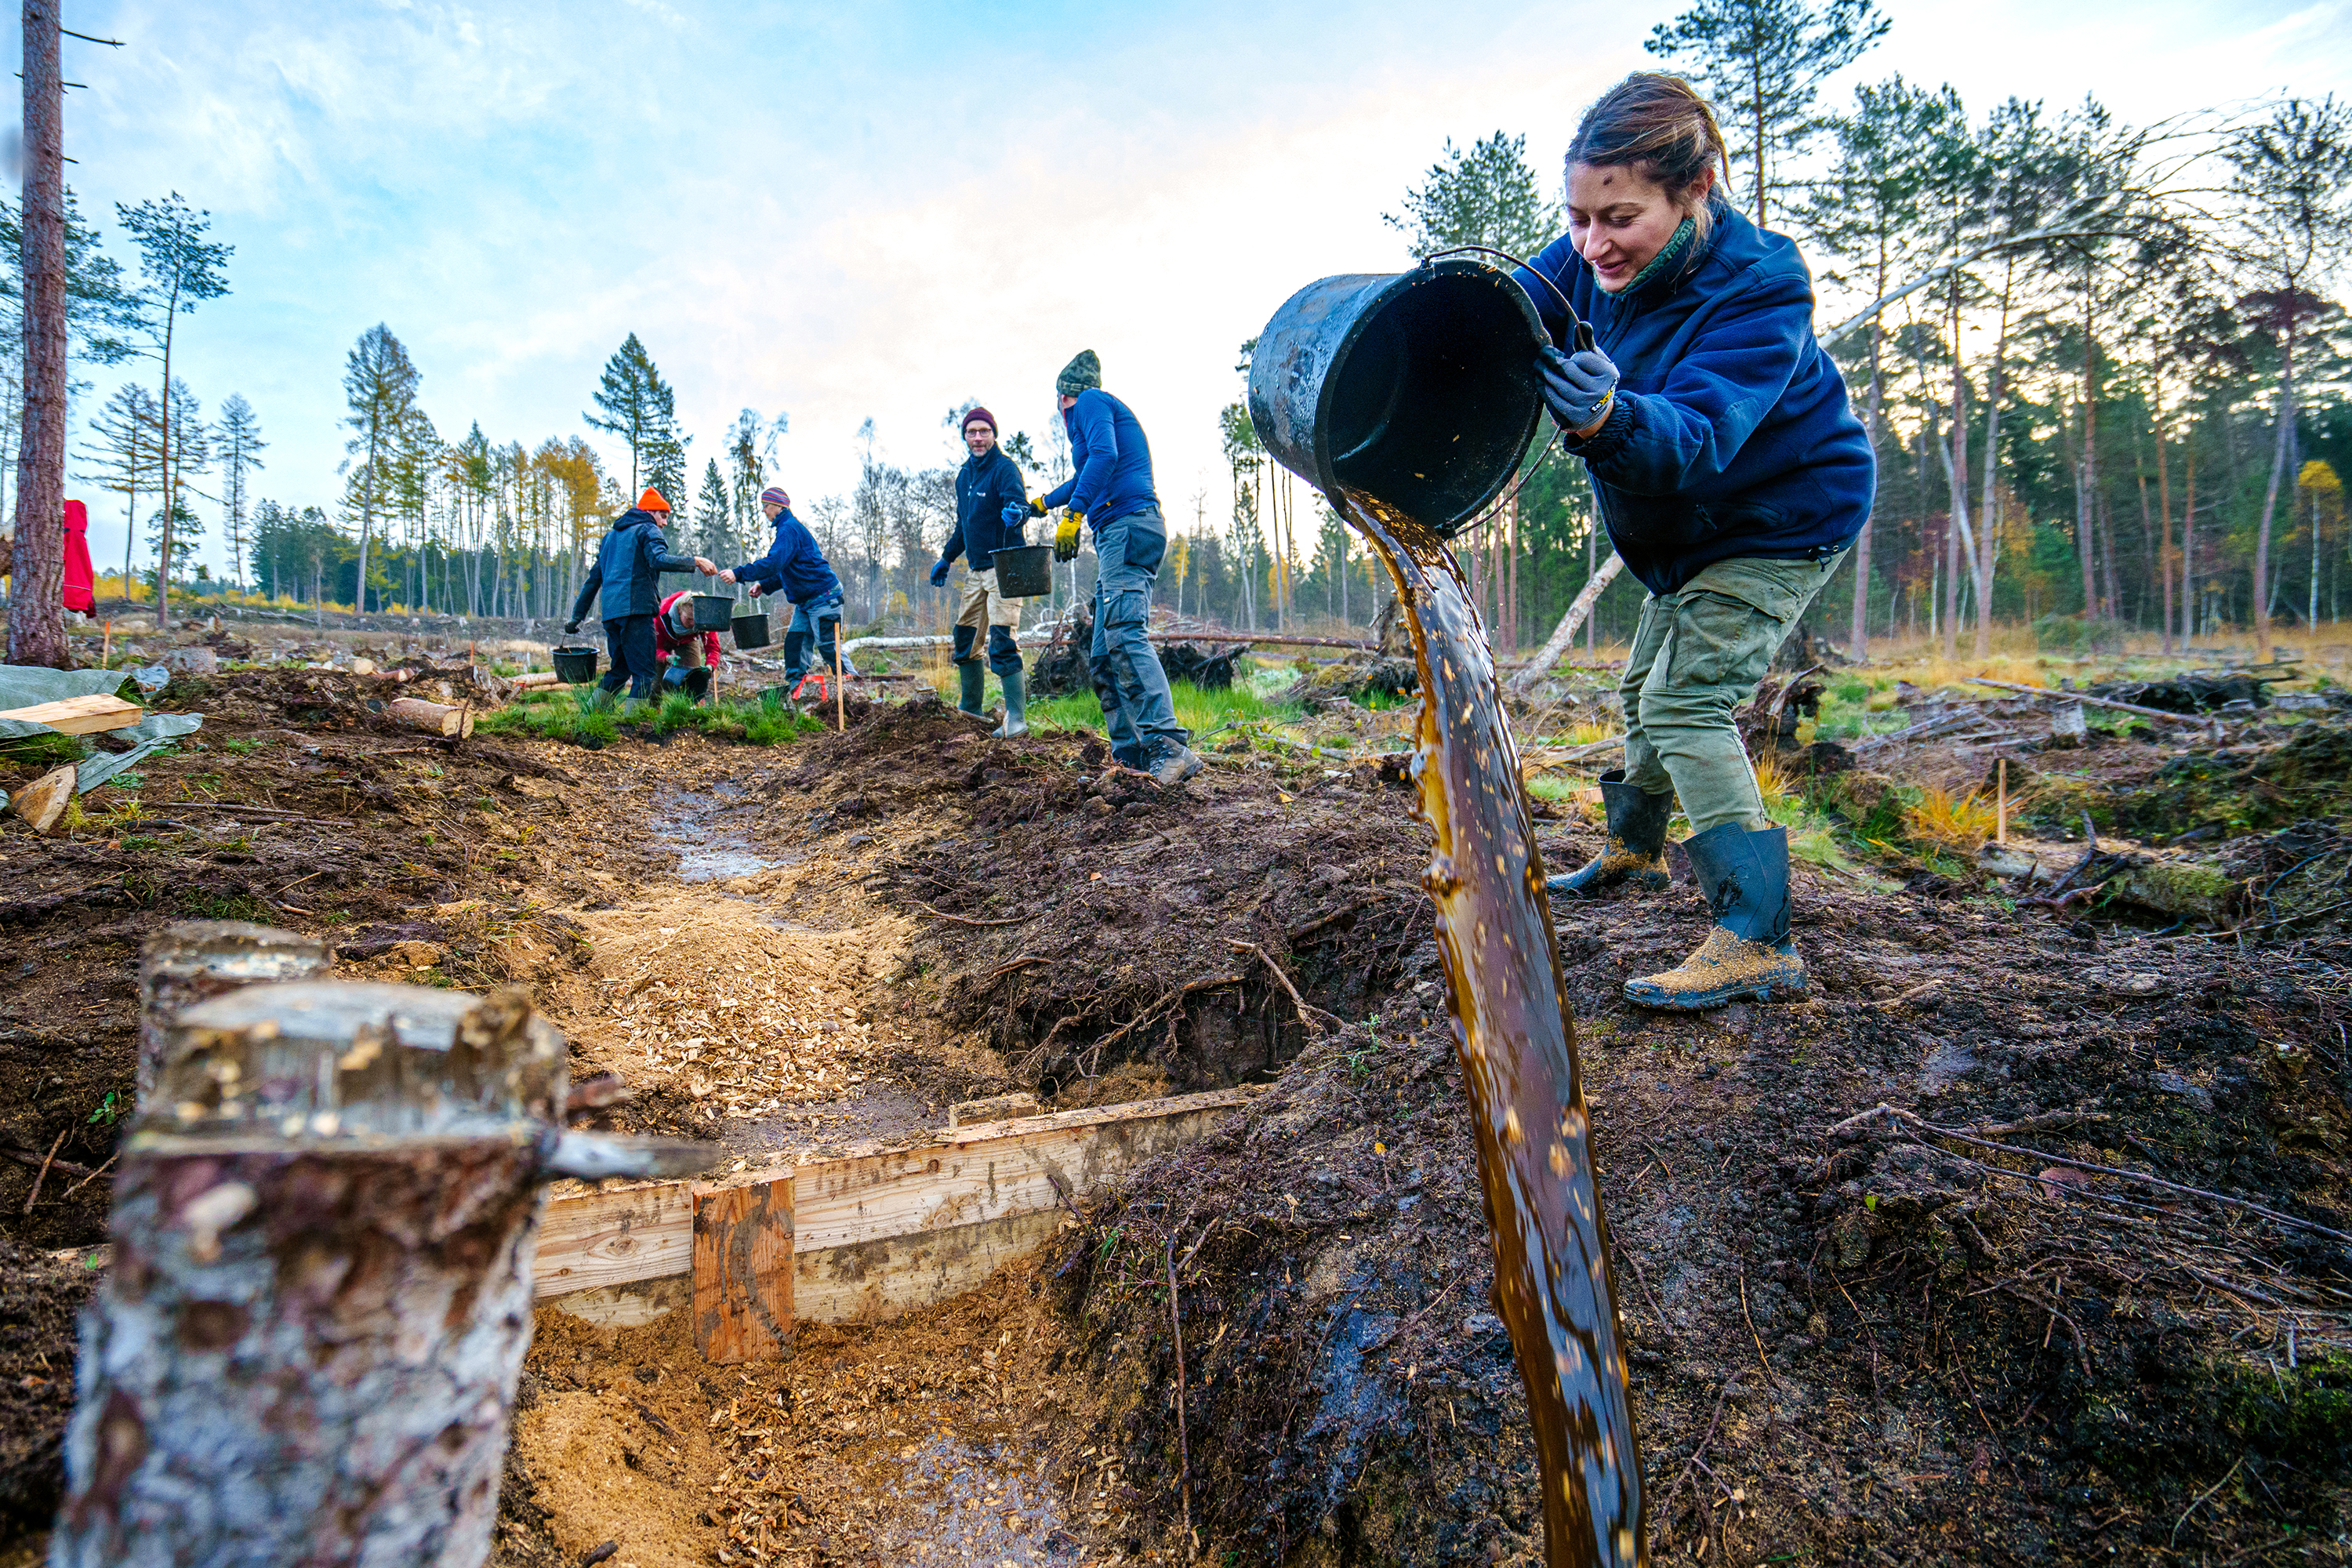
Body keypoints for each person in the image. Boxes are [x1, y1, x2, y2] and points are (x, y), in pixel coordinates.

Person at [1512, 73, 1874, 1012]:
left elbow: (1701, 433)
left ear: (1697, 188)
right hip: (1684, 529)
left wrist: (1607, 417)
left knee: (1684, 698)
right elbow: (1506, 310)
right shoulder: (1589, 256)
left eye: (1619, 217)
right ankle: (1633, 850)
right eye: (1578, 216)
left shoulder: (1762, 285)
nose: (1593, 245)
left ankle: (1757, 935)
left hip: (1778, 515)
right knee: (1639, 688)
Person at [1006, 351, 1203, 786]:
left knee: (1125, 634)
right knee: (1101, 654)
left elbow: (1104, 456)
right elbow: (1085, 475)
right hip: (1122, 532)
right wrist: (1040, 505)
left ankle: (1169, 747)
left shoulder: (1090, 401)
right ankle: (1131, 760)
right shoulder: (1099, 414)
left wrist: (1074, 516)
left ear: (1063, 398)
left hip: (1128, 527)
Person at [931, 406, 1031, 736]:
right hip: (976, 570)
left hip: (1005, 566)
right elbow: (964, 525)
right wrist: (946, 558)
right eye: (971, 432)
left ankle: (1015, 720)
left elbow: (1019, 504)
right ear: (965, 436)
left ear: (993, 434)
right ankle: (970, 710)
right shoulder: (964, 476)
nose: (977, 438)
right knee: (965, 638)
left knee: (1002, 642)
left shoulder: (1004, 469)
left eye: (983, 432)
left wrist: (1017, 515)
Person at [566, 488, 717, 702]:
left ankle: (591, 716)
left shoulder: (610, 538)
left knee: (619, 671)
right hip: (637, 612)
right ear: (650, 512)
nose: (664, 523)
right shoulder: (648, 529)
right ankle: (633, 727)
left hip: (611, 615)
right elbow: (658, 559)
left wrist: (577, 616)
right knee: (644, 674)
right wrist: (695, 561)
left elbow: (593, 580)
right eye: (663, 516)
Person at [720, 485, 846, 705]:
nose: (764, 511)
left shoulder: (789, 529)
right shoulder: (787, 529)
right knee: (795, 644)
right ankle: (797, 694)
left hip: (825, 597)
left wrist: (739, 573)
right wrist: (764, 585)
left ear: (779, 506)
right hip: (806, 603)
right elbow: (787, 569)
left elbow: (774, 563)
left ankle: (853, 689)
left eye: (766, 506)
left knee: (829, 647)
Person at [654, 587, 723, 702]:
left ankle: (692, 709)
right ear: (679, 610)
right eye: (689, 619)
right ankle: (652, 710)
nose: (692, 624)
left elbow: (713, 648)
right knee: (655, 680)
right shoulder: (661, 614)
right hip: (663, 639)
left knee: (694, 677)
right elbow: (655, 648)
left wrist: (710, 666)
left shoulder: (704, 619)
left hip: (688, 640)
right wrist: (666, 657)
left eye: (696, 620)